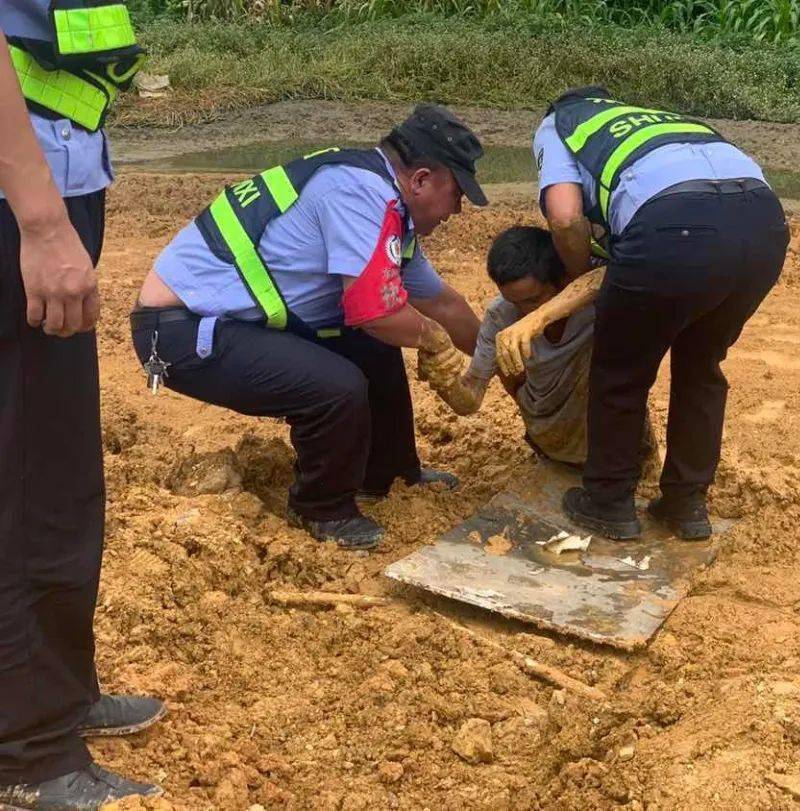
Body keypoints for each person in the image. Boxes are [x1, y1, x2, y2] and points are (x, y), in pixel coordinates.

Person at [132, 105, 486, 550]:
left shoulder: (384, 205)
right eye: (457, 193)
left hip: (227, 322)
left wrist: (503, 361)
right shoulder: (360, 194)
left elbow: (442, 304)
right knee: (338, 385)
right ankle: (321, 508)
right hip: (180, 331)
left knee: (375, 351)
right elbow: (374, 311)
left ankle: (389, 475)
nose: (458, 209)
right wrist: (432, 339)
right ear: (419, 179)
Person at [1, 4, 166, 807]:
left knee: (58, 472)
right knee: (27, 478)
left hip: (57, 179)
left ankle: (54, 693)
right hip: (16, 198)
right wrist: (38, 217)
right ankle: (25, 748)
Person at [498, 86, 790, 541]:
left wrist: (582, 276)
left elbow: (564, 218)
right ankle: (686, 504)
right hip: (763, 226)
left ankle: (608, 501)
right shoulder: (653, 119)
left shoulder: (560, 125)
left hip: (672, 225)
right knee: (701, 365)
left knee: (620, 369)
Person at [420, 225, 655, 470]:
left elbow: (619, 272)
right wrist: (444, 378)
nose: (523, 311)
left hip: (612, 438)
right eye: (514, 302)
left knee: (611, 345)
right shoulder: (501, 316)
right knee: (506, 359)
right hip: (548, 434)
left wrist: (539, 318)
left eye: (534, 300)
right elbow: (469, 400)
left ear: (563, 279)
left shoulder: (591, 296)